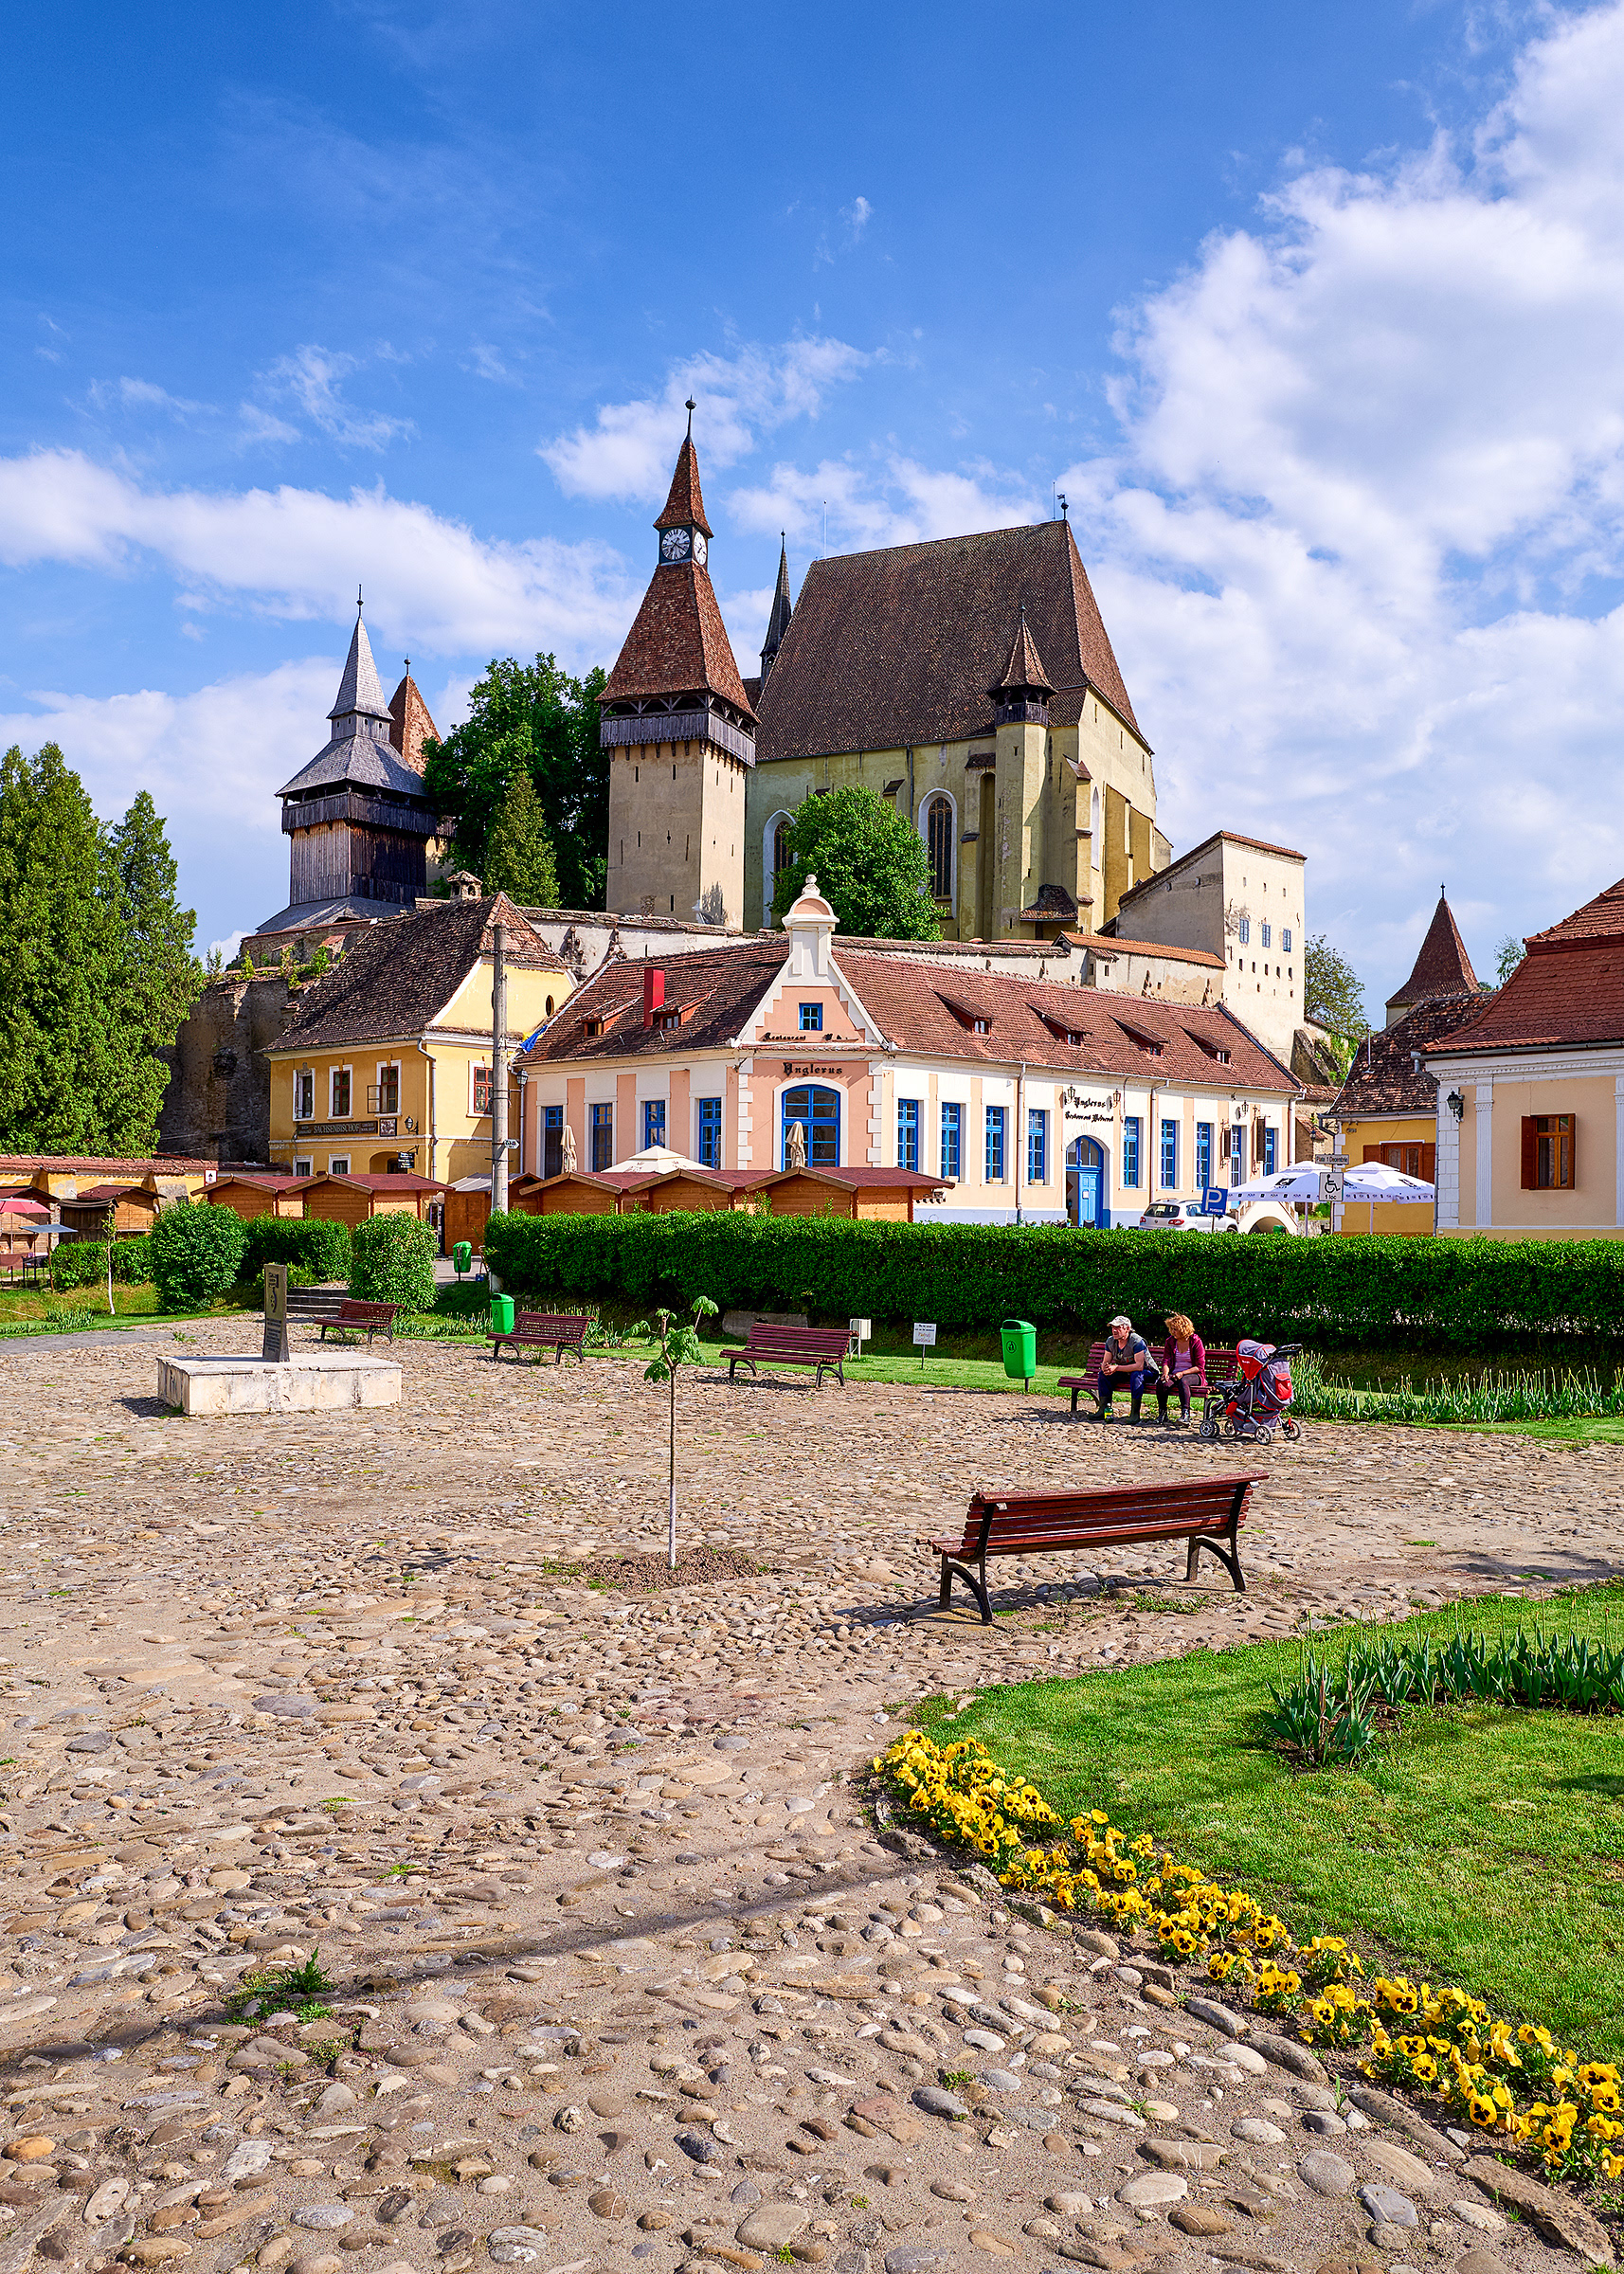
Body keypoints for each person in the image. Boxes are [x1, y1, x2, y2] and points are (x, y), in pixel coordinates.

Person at [1096, 1314, 1155, 1422]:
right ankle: (1103, 1410)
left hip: (1147, 1371)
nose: (1114, 1330)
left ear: (1127, 1329)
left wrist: (1116, 1368)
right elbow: (1106, 1361)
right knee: (1103, 1375)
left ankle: (1135, 1414)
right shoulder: (1110, 1341)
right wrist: (1105, 1367)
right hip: (1127, 1371)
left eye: (1118, 1328)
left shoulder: (1136, 1341)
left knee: (1136, 1375)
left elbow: (1139, 1366)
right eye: (1113, 1327)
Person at [1157, 1312, 1207, 1423]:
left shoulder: (1195, 1341)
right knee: (1162, 1383)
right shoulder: (1170, 1341)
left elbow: (1200, 1367)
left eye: (1175, 1329)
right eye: (1171, 1329)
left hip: (1193, 1375)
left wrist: (1183, 1373)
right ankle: (1162, 1414)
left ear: (1183, 1329)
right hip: (1174, 1373)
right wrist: (1165, 1373)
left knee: (1183, 1381)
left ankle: (1185, 1414)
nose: (1172, 1332)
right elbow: (1166, 1361)